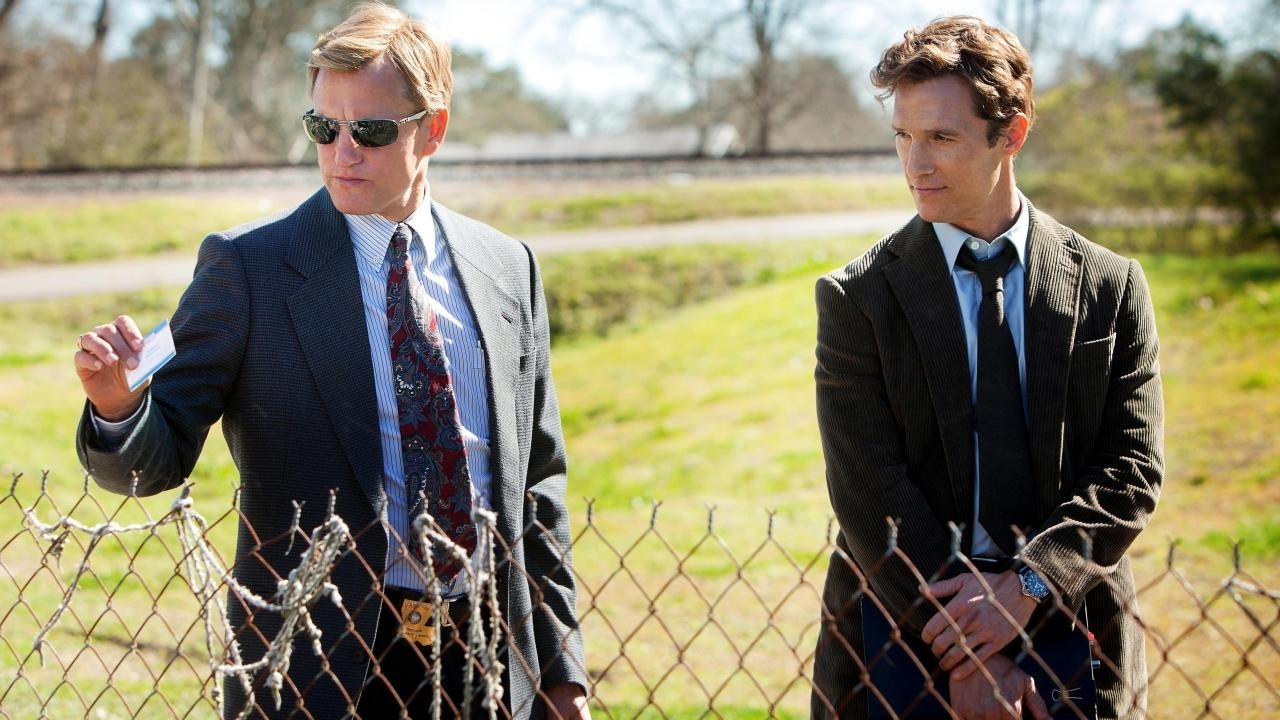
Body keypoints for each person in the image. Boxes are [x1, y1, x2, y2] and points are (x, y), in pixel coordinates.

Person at [71, 3, 589, 718]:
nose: (342, 153)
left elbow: (538, 486)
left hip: (491, 662)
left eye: (370, 131)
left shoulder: (508, 268)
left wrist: (561, 674)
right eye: (323, 128)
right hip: (319, 669)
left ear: (433, 129)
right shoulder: (249, 268)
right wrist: (118, 406)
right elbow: (152, 463)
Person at [810, 15, 1163, 720]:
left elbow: (1131, 468)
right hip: (901, 628)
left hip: (1074, 622)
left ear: (1013, 135)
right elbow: (867, 488)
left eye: (941, 138)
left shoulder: (1110, 286)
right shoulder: (858, 296)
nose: (915, 164)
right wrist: (972, 652)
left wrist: (1027, 588)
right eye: (903, 136)